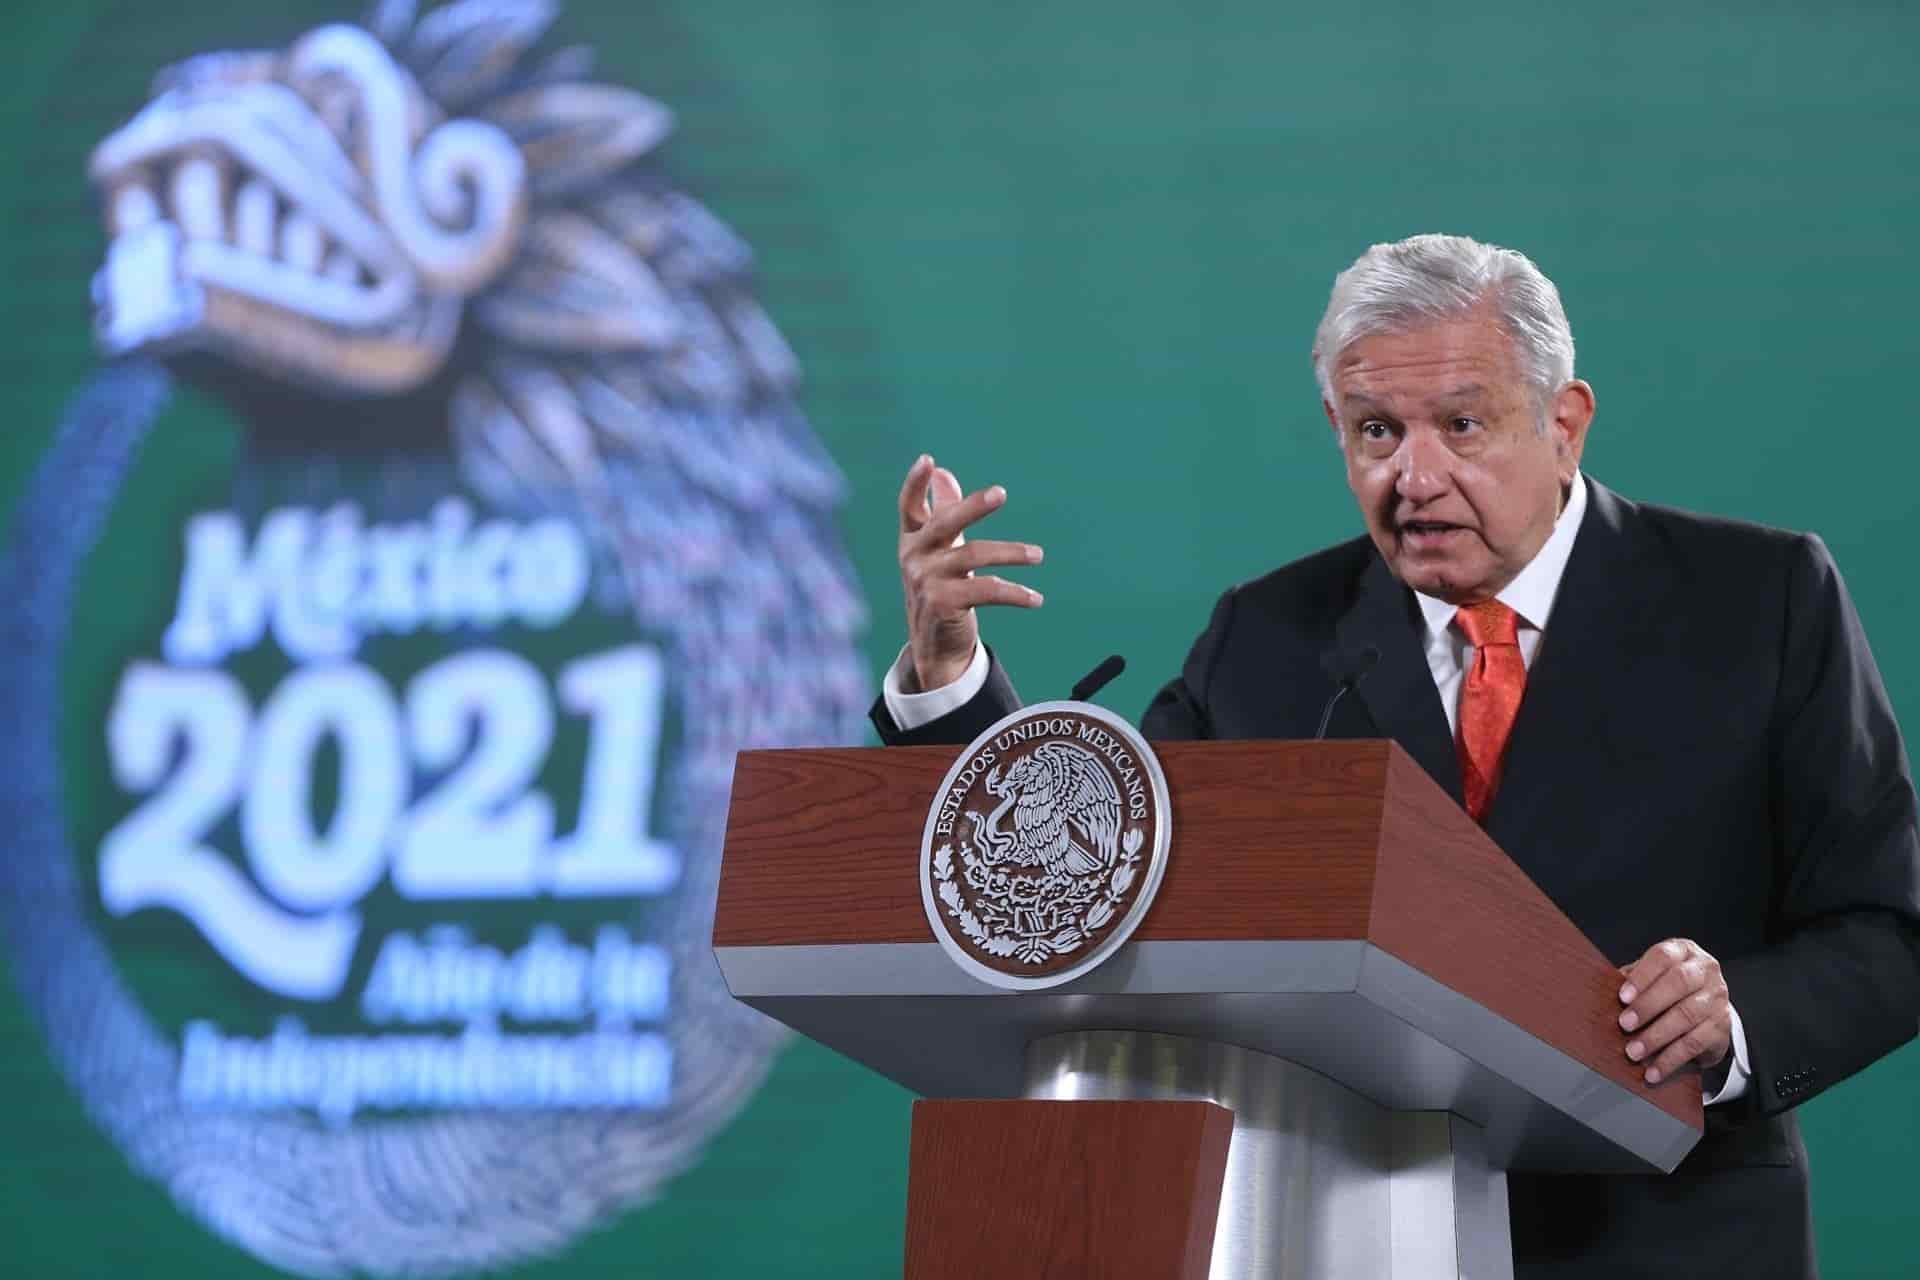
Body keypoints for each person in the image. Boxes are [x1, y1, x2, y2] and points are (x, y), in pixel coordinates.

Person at [869, 233, 1920, 1278]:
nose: (1415, 477)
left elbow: (1889, 929)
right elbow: (1100, 882)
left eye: (1462, 424)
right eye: (1377, 430)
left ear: (1564, 424)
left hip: (1668, 1237)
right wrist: (951, 677)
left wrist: (1730, 1020)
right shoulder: (1268, 635)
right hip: (1335, 1234)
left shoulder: (1760, 600)